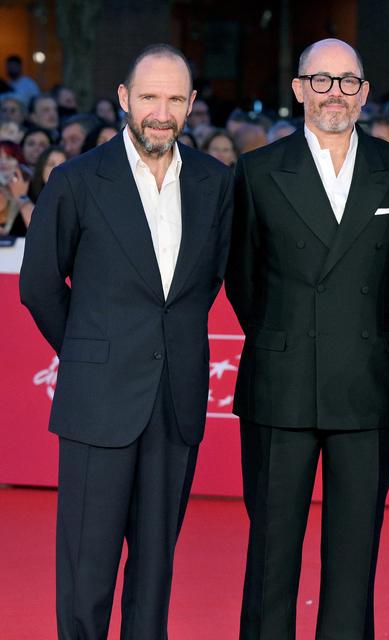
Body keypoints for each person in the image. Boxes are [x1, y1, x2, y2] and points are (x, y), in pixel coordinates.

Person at [19, 43, 233, 639]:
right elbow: (39, 285)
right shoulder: (78, 179)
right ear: (123, 99)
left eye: (173, 99)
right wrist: (91, 354)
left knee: (155, 574)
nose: (159, 112)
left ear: (191, 104)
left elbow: (208, 279)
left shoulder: (217, 184)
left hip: (176, 403)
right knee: (86, 574)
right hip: (98, 404)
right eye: (148, 97)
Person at [226, 38, 389, 639]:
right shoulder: (257, 172)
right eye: (320, 80)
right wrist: (284, 339)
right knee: (271, 555)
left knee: (354, 553)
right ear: (298, 89)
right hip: (279, 386)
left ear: (363, 92)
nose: (333, 92)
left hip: (367, 384)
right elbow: (242, 280)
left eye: (346, 81)